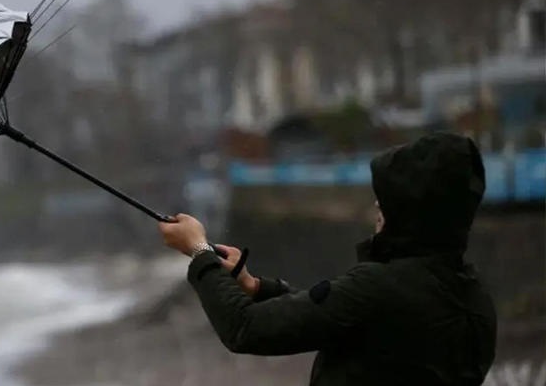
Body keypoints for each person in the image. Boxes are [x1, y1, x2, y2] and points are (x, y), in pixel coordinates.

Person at [159, 132, 497, 385]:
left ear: (414, 210)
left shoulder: (377, 288)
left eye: (388, 199)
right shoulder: (474, 298)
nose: (377, 206)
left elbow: (246, 328)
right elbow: (342, 319)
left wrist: (199, 251)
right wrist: (257, 287)